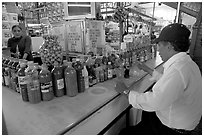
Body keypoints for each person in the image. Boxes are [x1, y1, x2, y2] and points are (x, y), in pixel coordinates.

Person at [115, 23, 202, 135]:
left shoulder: (177, 69)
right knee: (147, 114)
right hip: (183, 119)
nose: (158, 50)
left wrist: (126, 91)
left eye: (160, 45)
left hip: (175, 130)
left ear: (169, 46)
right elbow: (169, 83)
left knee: (125, 133)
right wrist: (148, 70)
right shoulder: (186, 63)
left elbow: (155, 101)